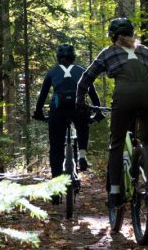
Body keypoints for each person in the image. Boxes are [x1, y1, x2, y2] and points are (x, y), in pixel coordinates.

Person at [76, 17, 148, 208]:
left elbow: (85, 79)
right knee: (147, 137)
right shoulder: (144, 51)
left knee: (117, 142)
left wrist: (80, 101)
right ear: (131, 34)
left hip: (125, 97)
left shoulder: (109, 52)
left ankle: (114, 192)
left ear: (113, 36)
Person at [33, 45, 101, 192]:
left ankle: (56, 188)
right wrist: (98, 112)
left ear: (58, 57)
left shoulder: (52, 72)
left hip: (58, 111)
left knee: (56, 148)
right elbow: (93, 94)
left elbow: (42, 96)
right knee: (83, 125)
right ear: (73, 57)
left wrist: (38, 113)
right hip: (79, 109)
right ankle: (82, 154)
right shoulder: (82, 70)